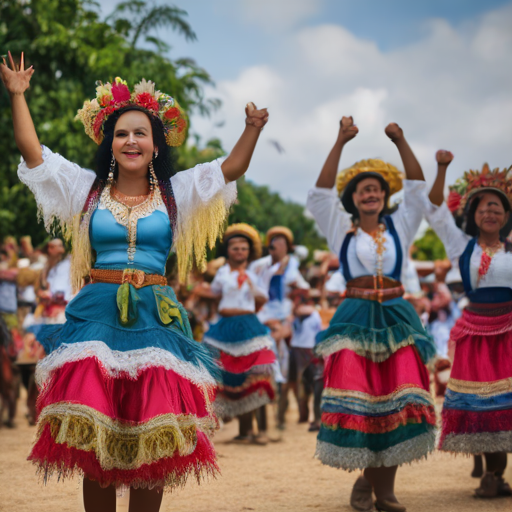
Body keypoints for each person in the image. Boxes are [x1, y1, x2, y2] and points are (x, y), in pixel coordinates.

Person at [1, 51, 268, 512]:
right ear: (110, 144)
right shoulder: (84, 188)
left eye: (140, 133)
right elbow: (33, 153)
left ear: (155, 144)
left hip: (155, 318)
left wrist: (253, 129)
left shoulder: (177, 191)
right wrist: (18, 94)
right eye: (121, 133)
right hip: (96, 318)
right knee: (95, 439)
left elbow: (230, 169)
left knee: (154, 438)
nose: (130, 140)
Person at [306, 116, 436, 512]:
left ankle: (382, 489)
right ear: (353, 198)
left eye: (376, 189)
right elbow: (318, 194)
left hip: (397, 317)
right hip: (355, 316)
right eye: (363, 190)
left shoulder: (400, 224)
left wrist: (400, 140)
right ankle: (370, 481)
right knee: (363, 401)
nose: (370, 194)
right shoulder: (339, 229)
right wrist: (340, 140)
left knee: (399, 399)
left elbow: (417, 189)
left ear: (384, 195)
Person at [425, 151, 512, 498]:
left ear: (506, 215)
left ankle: (495, 475)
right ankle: (494, 473)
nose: (490, 212)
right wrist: (442, 169)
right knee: (487, 406)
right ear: (473, 214)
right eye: (483, 207)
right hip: (476, 332)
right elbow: (434, 211)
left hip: (510, 330)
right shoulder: (460, 247)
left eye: (497, 206)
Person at [202, 223, 276, 444]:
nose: (239, 252)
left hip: (249, 325)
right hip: (225, 327)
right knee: (221, 371)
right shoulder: (222, 274)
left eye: (243, 248)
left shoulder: (254, 274)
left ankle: (258, 429)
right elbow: (213, 293)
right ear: (228, 251)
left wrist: (250, 288)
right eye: (235, 248)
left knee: (258, 371)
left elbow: (263, 298)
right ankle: (238, 426)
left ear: (249, 251)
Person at [250, 226, 309, 323]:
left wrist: (296, 290)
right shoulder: (259, 265)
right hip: (261, 311)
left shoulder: (292, 265)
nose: (279, 245)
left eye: (282, 243)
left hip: (285, 313)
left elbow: (304, 288)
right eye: (276, 241)